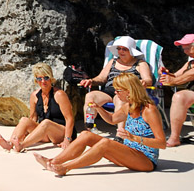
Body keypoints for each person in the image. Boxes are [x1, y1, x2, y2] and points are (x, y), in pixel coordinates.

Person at [33, 73, 166, 176]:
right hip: (128, 153)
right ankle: (53, 161)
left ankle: (65, 168)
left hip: (146, 160)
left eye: (118, 90)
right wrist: (99, 108)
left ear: (129, 91)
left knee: (106, 143)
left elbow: (161, 143)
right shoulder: (128, 106)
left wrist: (134, 138)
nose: (115, 93)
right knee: (86, 135)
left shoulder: (149, 110)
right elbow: (112, 119)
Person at [78, 35, 153, 131]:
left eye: (124, 49)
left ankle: (120, 131)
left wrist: (143, 82)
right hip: (109, 91)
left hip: (126, 92)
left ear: (131, 51)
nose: (121, 51)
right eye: (119, 49)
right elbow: (101, 78)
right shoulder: (113, 62)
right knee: (90, 96)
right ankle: (89, 128)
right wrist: (91, 81)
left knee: (120, 99)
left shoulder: (140, 64)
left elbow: (148, 80)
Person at [0, 63, 75, 152]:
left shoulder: (59, 94)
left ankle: (21, 145)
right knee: (24, 120)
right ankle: (11, 143)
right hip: (45, 133)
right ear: (36, 80)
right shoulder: (34, 95)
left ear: (51, 78)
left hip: (61, 132)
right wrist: (23, 134)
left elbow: (69, 118)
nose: (43, 81)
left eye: (46, 78)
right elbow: (33, 118)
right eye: (39, 78)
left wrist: (67, 139)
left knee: (46, 123)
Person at [161, 33, 194, 147]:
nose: (185, 51)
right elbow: (176, 76)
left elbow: (190, 75)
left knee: (179, 96)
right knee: (179, 96)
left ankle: (174, 137)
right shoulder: (190, 63)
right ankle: (174, 137)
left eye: (187, 48)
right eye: (183, 48)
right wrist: (166, 74)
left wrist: (173, 80)